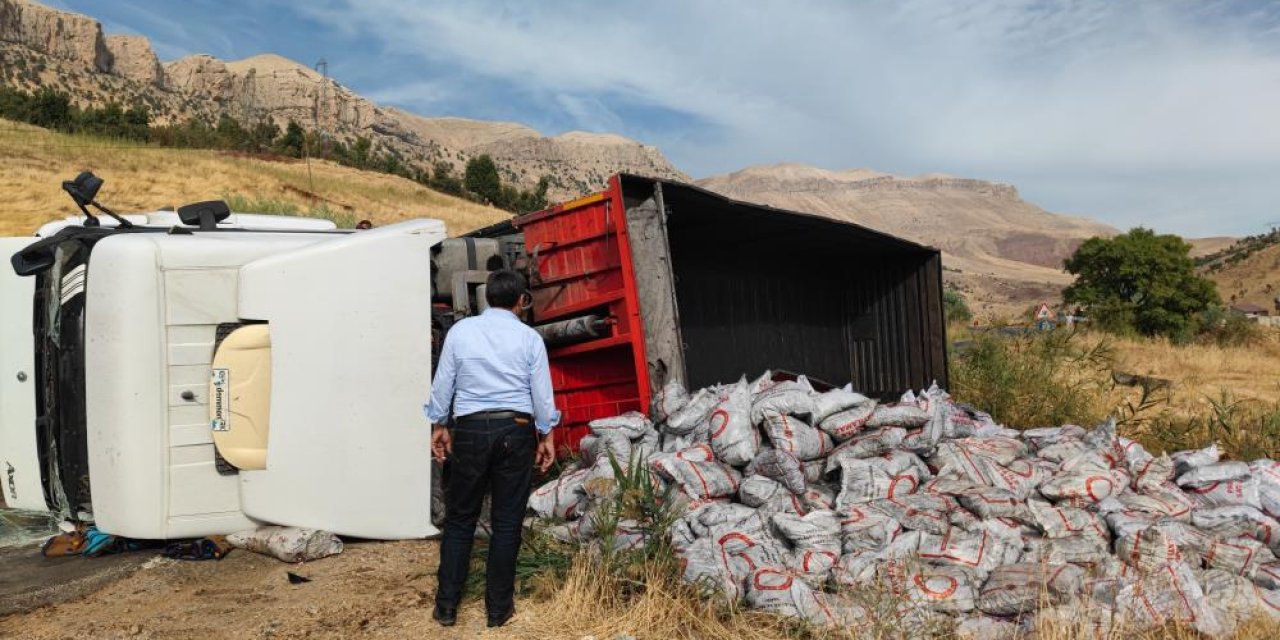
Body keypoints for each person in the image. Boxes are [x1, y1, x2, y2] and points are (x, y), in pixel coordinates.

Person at [424, 269, 559, 628]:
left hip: (468, 428)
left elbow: (443, 384)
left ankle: (447, 607)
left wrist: (439, 425)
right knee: (507, 522)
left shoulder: (460, 332)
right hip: (515, 430)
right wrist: (546, 435)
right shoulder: (529, 338)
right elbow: (542, 395)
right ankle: (498, 611)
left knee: (459, 520)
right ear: (520, 301)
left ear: (487, 299)